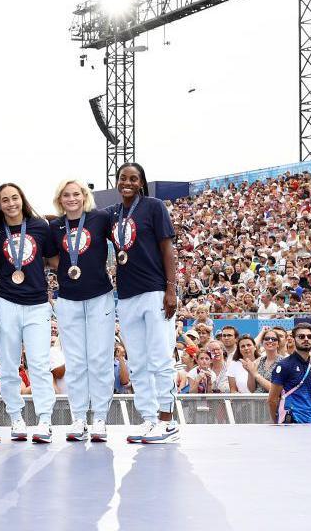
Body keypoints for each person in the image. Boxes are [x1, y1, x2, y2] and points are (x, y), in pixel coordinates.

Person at [111, 163, 180, 444]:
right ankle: (149, 419)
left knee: (161, 358)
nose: (127, 182)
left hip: (154, 291)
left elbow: (167, 249)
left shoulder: (153, 206)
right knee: (137, 361)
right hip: (126, 295)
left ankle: (167, 419)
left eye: (133, 179)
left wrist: (171, 289)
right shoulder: (113, 214)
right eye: (123, 178)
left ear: (141, 183)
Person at [0, 183, 58, 443]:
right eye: (4, 200)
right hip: (6, 301)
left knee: (39, 364)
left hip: (37, 302)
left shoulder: (40, 226)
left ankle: (45, 420)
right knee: (8, 364)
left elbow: (52, 259)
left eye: (14, 198)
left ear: (22, 199)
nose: (10, 203)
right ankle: (16, 417)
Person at [48, 179, 115, 442]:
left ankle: (99, 417)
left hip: (100, 296)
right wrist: (68, 269)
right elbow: (53, 258)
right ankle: (78, 417)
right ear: (60, 198)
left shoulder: (99, 218)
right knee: (75, 361)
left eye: (77, 194)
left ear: (85, 196)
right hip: (68, 298)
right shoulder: (55, 226)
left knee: (99, 358)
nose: (72, 198)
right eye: (66, 195)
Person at [269, 323, 311, 423]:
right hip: (290, 422)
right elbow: (272, 399)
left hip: (310, 421)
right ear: (293, 339)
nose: (306, 339)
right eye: (301, 336)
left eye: (310, 336)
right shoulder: (284, 365)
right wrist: (276, 422)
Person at [249, 328, 282, 393]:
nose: (270, 341)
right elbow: (252, 390)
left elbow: (276, 390)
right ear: (262, 342)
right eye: (267, 339)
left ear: (278, 344)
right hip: (257, 401)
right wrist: (250, 372)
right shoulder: (258, 361)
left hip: (274, 402)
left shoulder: (284, 362)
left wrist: (256, 375)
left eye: (274, 339)